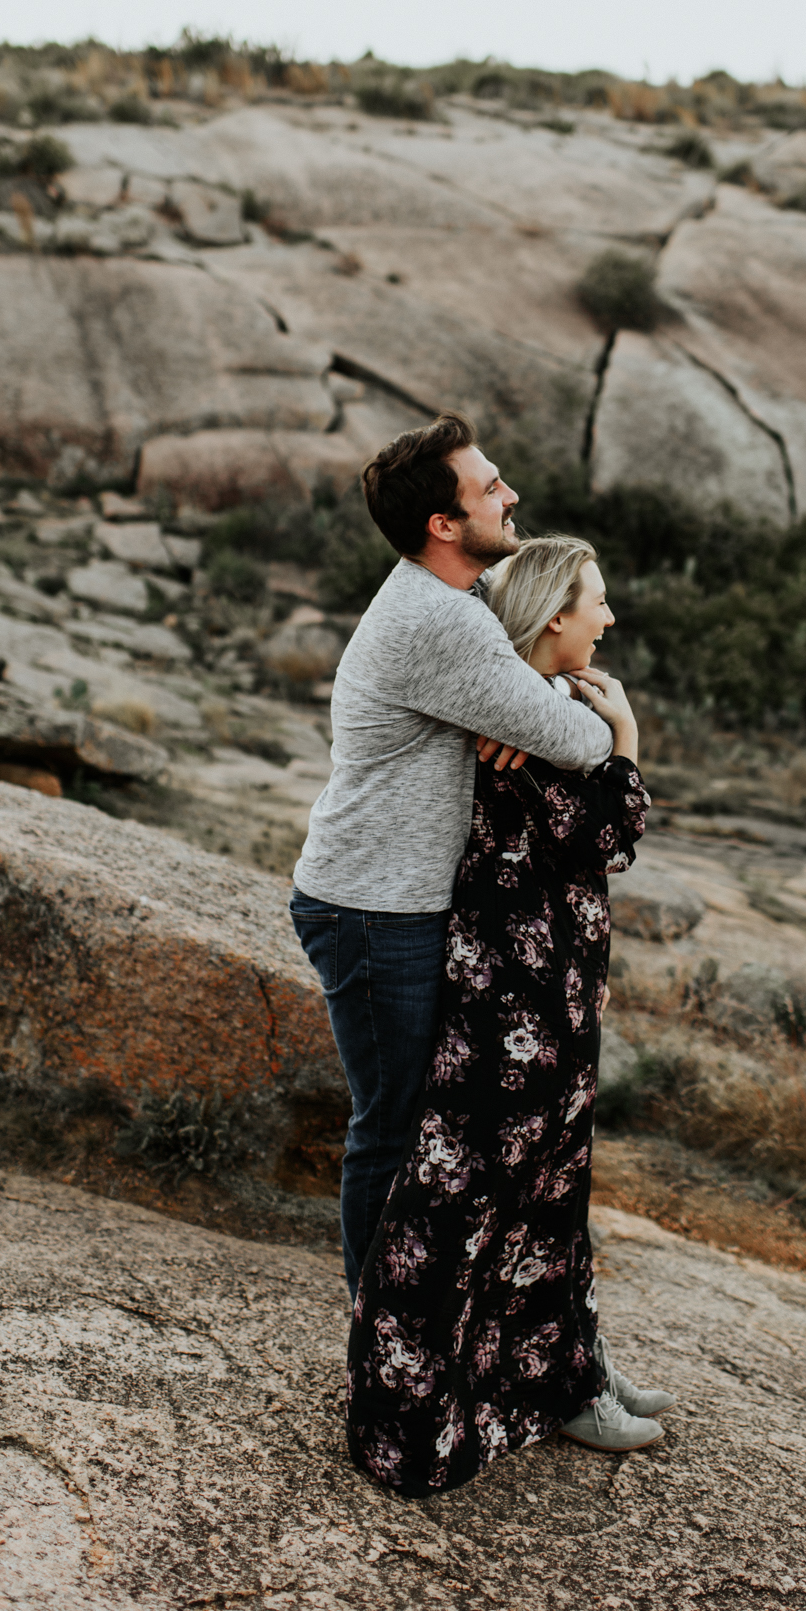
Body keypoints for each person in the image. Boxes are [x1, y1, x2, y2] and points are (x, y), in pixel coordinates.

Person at [345, 535, 677, 1498]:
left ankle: (568, 1374)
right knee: (466, 1201)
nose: (609, 619)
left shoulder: (545, 705)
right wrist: (629, 744)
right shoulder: (517, 723)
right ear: (554, 616)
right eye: (597, 603)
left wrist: (602, 729)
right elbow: (606, 834)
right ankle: (410, 1408)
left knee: (549, 1196)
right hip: (507, 1002)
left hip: (555, 994)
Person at [290, 413, 614, 1303]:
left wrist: (522, 702)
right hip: (373, 908)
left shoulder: (450, 601)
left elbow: (527, 699)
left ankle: (450, 1335)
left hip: (394, 900)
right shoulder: (439, 621)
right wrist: (595, 717)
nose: (508, 495)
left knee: (426, 1128)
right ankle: (379, 1343)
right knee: (392, 1132)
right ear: (443, 524)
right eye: (488, 487)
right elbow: (579, 743)